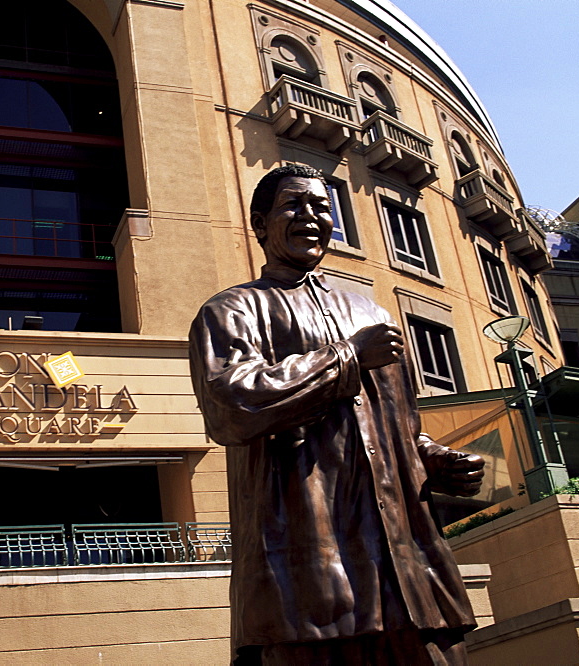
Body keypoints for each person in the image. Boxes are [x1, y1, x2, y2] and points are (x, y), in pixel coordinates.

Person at [188, 164, 485, 665]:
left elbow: (401, 426)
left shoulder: (371, 314)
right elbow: (231, 406)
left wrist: (433, 458)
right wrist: (346, 358)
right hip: (307, 582)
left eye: (321, 206)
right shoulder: (232, 310)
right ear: (260, 224)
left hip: (407, 575)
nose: (311, 216)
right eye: (293, 205)